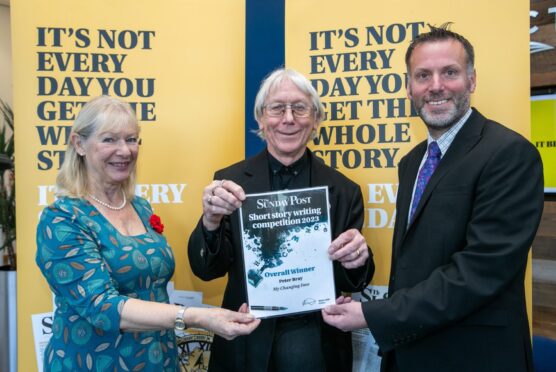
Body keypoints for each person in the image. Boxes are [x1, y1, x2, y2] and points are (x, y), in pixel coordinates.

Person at [322, 24, 545, 372]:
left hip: (475, 357)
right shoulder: (412, 162)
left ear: (471, 80)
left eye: (450, 72)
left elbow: (480, 271)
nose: (436, 86)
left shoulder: (509, 154)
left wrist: (374, 313)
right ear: (409, 87)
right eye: (423, 75)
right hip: (410, 351)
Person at [36, 96, 260, 372]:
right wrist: (199, 317)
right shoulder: (62, 219)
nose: (125, 151)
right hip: (93, 362)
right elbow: (102, 307)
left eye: (131, 139)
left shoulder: (140, 208)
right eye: (109, 140)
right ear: (79, 144)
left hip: (157, 359)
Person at [188, 68, 375, 371]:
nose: (288, 118)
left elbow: (350, 280)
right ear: (261, 118)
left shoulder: (344, 190)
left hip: (315, 344)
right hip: (245, 338)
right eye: (277, 108)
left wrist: (357, 259)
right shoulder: (228, 182)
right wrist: (210, 221)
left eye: (300, 108)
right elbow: (207, 270)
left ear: (315, 120)